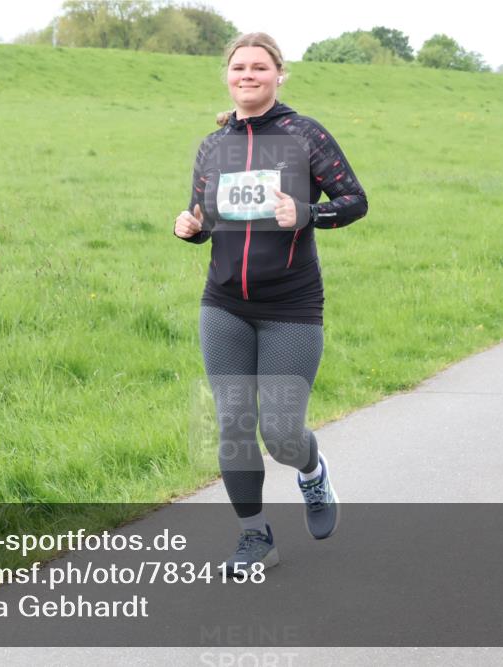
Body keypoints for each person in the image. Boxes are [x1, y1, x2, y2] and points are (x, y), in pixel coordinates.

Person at [173, 32, 368, 574]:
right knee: (234, 425)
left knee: (280, 435)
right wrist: (188, 227)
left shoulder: (304, 134)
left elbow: (354, 201)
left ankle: (311, 470)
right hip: (224, 306)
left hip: (290, 307)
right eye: (239, 67)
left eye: (260, 67)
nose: (248, 75)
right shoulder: (214, 146)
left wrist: (307, 212)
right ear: (227, 76)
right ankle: (255, 537)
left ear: (279, 74)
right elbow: (205, 217)